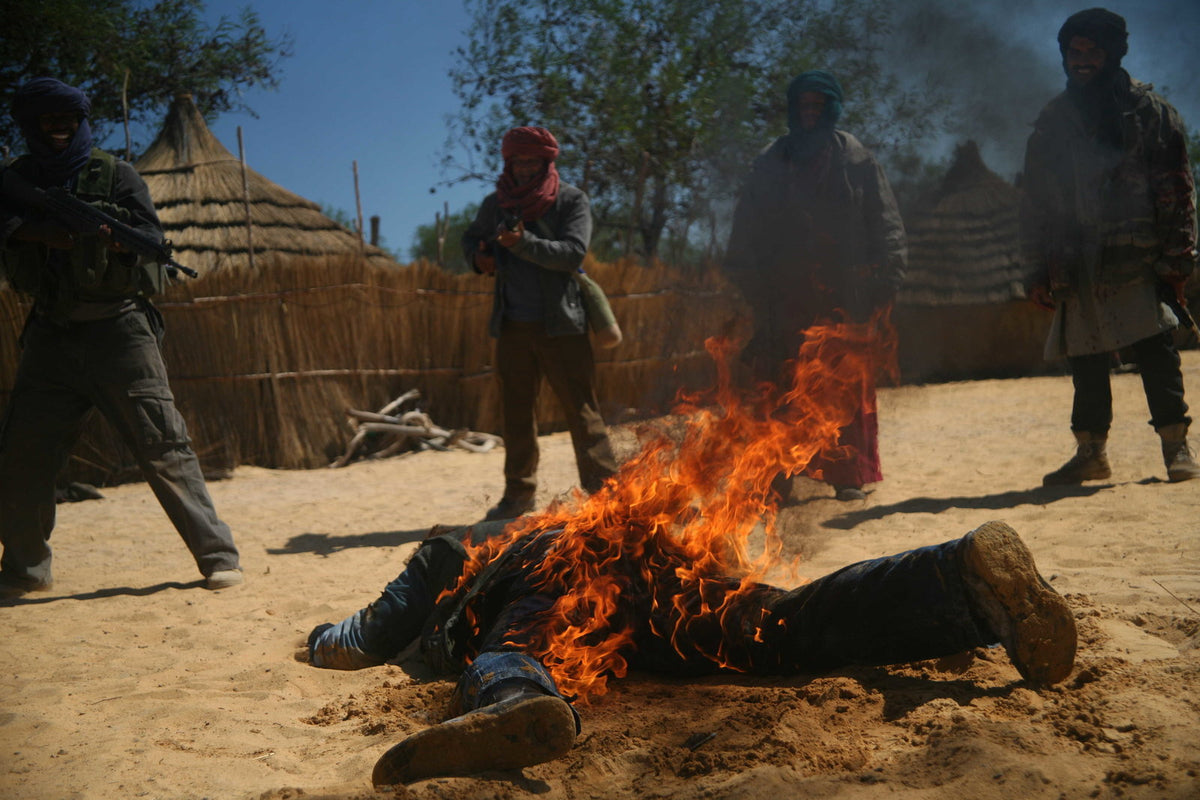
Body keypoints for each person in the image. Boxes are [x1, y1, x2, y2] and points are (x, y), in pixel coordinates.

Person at [307, 518, 1076, 785]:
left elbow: (361, 639)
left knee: (513, 645)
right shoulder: (540, 523)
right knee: (784, 628)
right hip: (650, 571)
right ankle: (957, 578)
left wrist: (314, 641)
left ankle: (516, 704)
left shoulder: (448, 556)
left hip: (563, 573)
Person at [0, 78, 243, 597]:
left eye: (68, 120)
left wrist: (115, 242)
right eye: (48, 121)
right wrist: (42, 232)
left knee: (164, 445)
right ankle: (25, 570)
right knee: (23, 456)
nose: (59, 128)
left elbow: (152, 239)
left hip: (121, 331)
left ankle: (218, 558)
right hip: (50, 335)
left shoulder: (117, 175)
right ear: (33, 126)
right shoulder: (17, 180)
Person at [1020, 8, 1200, 485]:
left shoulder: (1151, 113)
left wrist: (1176, 262)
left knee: (1155, 351)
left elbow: (1177, 191)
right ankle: (1091, 454)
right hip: (1075, 258)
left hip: (1137, 255)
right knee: (1086, 355)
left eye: (1092, 51)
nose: (1081, 60)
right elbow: (1035, 202)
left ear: (1114, 53)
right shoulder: (1053, 121)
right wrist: (1036, 269)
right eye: (1073, 51)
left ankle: (1176, 448)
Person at [723, 71, 906, 502]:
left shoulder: (857, 160)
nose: (809, 113)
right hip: (783, 294)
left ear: (831, 110)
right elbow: (746, 226)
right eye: (803, 105)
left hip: (843, 292)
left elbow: (885, 223)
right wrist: (749, 278)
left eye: (817, 106)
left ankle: (848, 474)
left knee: (843, 385)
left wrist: (886, 277)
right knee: (778, 384)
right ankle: (775, 476)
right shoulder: (771, 161)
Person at [462, 126, 618, 521]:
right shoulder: (495, 204)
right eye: (519, 161)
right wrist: (479, 256)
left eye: (533, 161)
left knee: (582, 413)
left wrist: (522, 244)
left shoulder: (571, 200)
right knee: (516, 414)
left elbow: (572, 254)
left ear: (547, 162)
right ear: (509, 163)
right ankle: (518, 496)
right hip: (512, 326)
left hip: (562, 326)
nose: (525, 168)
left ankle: (608, 498)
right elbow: (472, 239)